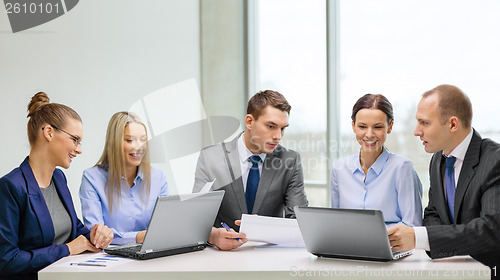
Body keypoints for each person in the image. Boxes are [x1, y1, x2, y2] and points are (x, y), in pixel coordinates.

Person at [0, 92, 113, 280]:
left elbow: (73, 229)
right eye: (75, 139)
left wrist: (96, 235)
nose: (79, 149)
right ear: (49, 132)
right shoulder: (11, 186)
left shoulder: (59, 178)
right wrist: (66, 249)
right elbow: (7, 260)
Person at [388, 84, 500, 271]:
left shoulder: (494, 160)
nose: (416, 131)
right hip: (449, 271)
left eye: (424, 123)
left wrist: (419, 237)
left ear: (453, 124)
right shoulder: (438, 160)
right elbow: (433, 213)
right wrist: (445, 247)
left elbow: (490, 230)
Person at [193, 90, 308, 251]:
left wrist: (265, 227)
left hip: (269, 258)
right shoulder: (210, 157)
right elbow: (196, 217)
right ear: (249, 121)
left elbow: (299, 222)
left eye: (282, 129)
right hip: (220, 257)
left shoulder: (290, 161)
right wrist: (212, 236)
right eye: (270, 126)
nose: (278, 136)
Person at [331, 94, 422, 227]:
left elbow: (412, 225)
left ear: (389, 127)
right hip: (347, 246)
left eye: (378, 127)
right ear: (353, 126)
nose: (369, 134)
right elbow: (336, 222)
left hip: (390, 247)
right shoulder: (339, 168)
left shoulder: (402, 168)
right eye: (362, 127)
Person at [79, 112, 168, 245]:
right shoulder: (92, 178)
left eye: (143, 140)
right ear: (114, 143)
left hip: (151, 252)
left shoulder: (158, 178)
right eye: (130, 140)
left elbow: (164, 228)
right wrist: (138, 237)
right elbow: (97, 236)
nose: (139, 147)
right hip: (110, 258)